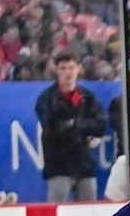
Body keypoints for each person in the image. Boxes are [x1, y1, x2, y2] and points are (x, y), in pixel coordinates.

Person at [37, 52, 107, 203]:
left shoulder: (87, 97)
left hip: (84, 165)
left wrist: (74, 125)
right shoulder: (47, 98)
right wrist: (84, 128)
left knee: (89, 215)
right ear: (56, 70)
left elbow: (101, 125)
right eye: (63, 68)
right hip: (58, 166)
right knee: (55, 212)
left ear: (78, 69)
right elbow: (53, 128)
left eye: (71, 67)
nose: (68, 73)